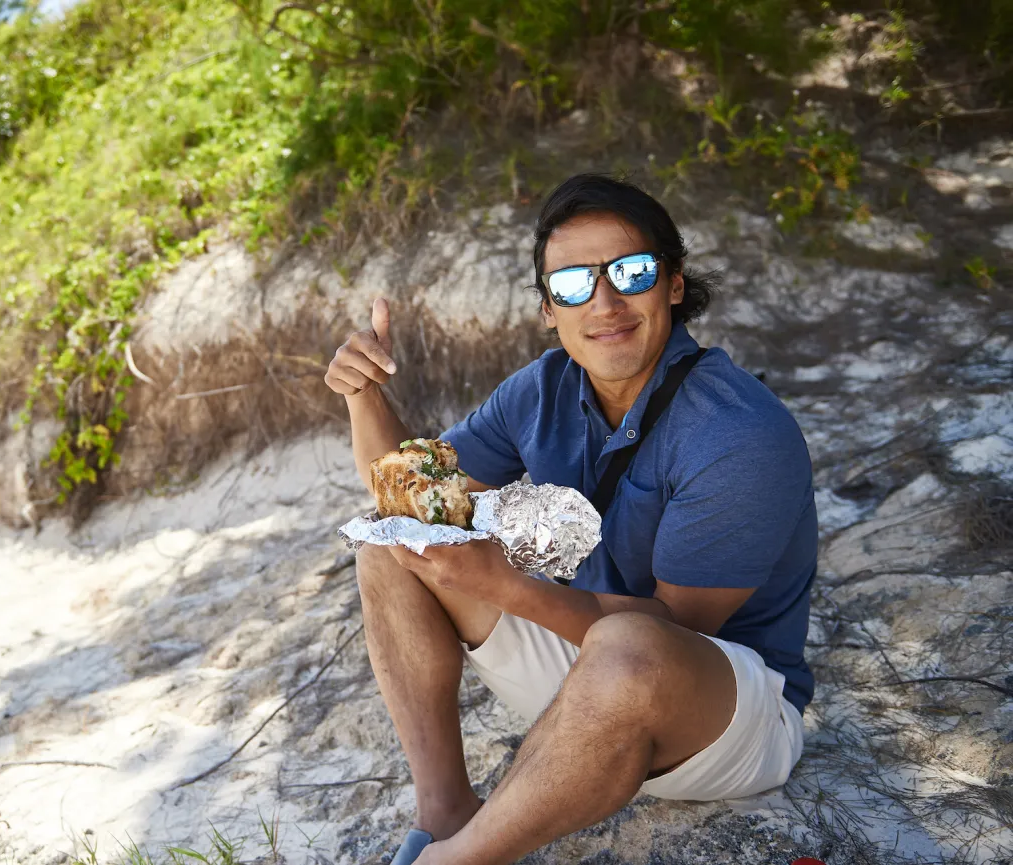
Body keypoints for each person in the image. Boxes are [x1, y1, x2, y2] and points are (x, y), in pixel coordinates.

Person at [323, 174, 816, 865]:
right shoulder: (544, 388)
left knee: (627, 646)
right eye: (576, 284)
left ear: (673, 283)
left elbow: (675, 629)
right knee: (391, 544)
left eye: (632, 272)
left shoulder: (738, 433)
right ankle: (444, 808)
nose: (606, 302)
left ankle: (455, 860)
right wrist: (363, 395)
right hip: (591, 670)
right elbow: (411, 498)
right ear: (550, 308)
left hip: (728, 714)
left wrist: (509, 587)